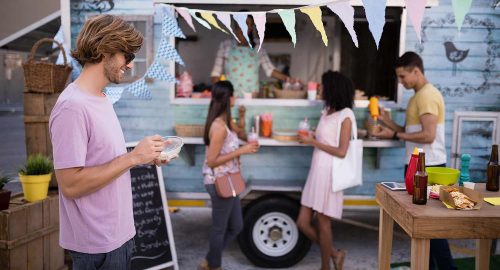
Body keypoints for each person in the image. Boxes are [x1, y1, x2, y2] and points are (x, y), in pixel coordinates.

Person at [49, 14, 169, 269]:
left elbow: (104, 160)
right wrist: (133, 157)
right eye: (127, 56)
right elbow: (70, 185)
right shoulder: (72, 107)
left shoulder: (100, 98)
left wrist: (144, 157)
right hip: (97, 247)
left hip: (119, 236)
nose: (129, 65)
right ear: (105, 51)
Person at [373, 52, 456, 270]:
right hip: (418, 167)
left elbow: (428, 135)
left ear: (416, 71)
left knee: (432, 228)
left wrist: (394, 135)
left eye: (402, 77)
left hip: (429, 168)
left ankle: (448, 268)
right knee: (421, 228)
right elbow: (410, 132)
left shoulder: (427, 96)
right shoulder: (417, 96)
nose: (401, 82)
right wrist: (389, 123)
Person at [296, 71, 354, 270]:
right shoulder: (327, 111)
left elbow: (341, 150)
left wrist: (313, 142)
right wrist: (311, 135)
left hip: (330, 173)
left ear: (333, 89)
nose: (319, 89)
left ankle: (325, 267)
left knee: (323, 222)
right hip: (316, 171)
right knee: (303, 223)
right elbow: (324, 139)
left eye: (322, 86)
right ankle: (335, 254)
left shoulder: (346, 115)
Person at [198, 81, 259, 270]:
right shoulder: (218, 126)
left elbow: (239, 133)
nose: (236, 98)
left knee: (236, 226)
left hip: (229, 180)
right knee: (220, 229)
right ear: (228, 98)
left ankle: (210, 259)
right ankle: (214, 265)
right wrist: (242, 151)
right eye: (234, 95)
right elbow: (212, 161)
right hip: (218, 182)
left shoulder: (226, 121)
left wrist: (242, 116)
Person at [210, 15, 298, 97]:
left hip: (252, 95)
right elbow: (215, 73)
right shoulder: (226, 45)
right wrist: (218, 94)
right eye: (245, 23)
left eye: (250, 25)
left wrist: (289, 79)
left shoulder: (258, 46)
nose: (249, 27)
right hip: (230, 96)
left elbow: (269, 70)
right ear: (237, 24)